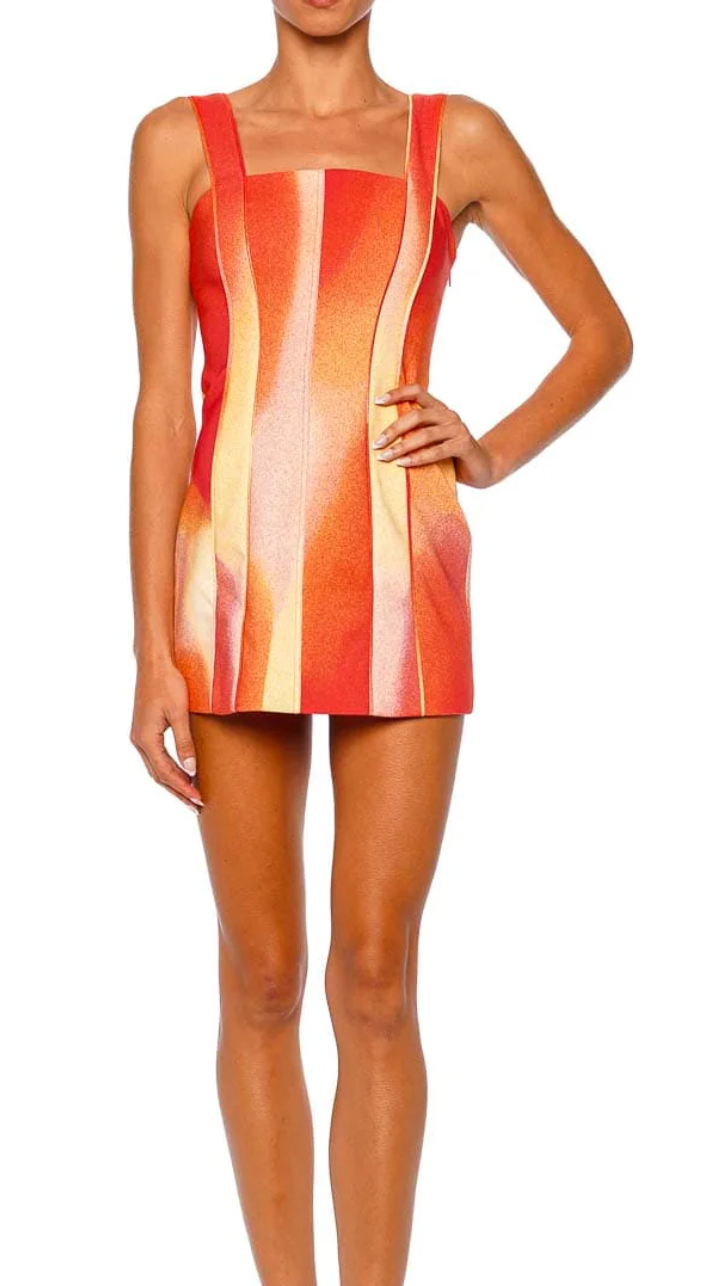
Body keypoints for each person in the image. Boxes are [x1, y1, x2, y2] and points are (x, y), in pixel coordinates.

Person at [128, 2, 633, 1282]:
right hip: (233, 590)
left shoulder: (456, 139)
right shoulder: (176, 142)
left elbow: (603, 334)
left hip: (402, 579)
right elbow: (160, 403)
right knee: (263, 975)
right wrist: (148, 648)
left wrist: (491, 450)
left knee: (374, 974)